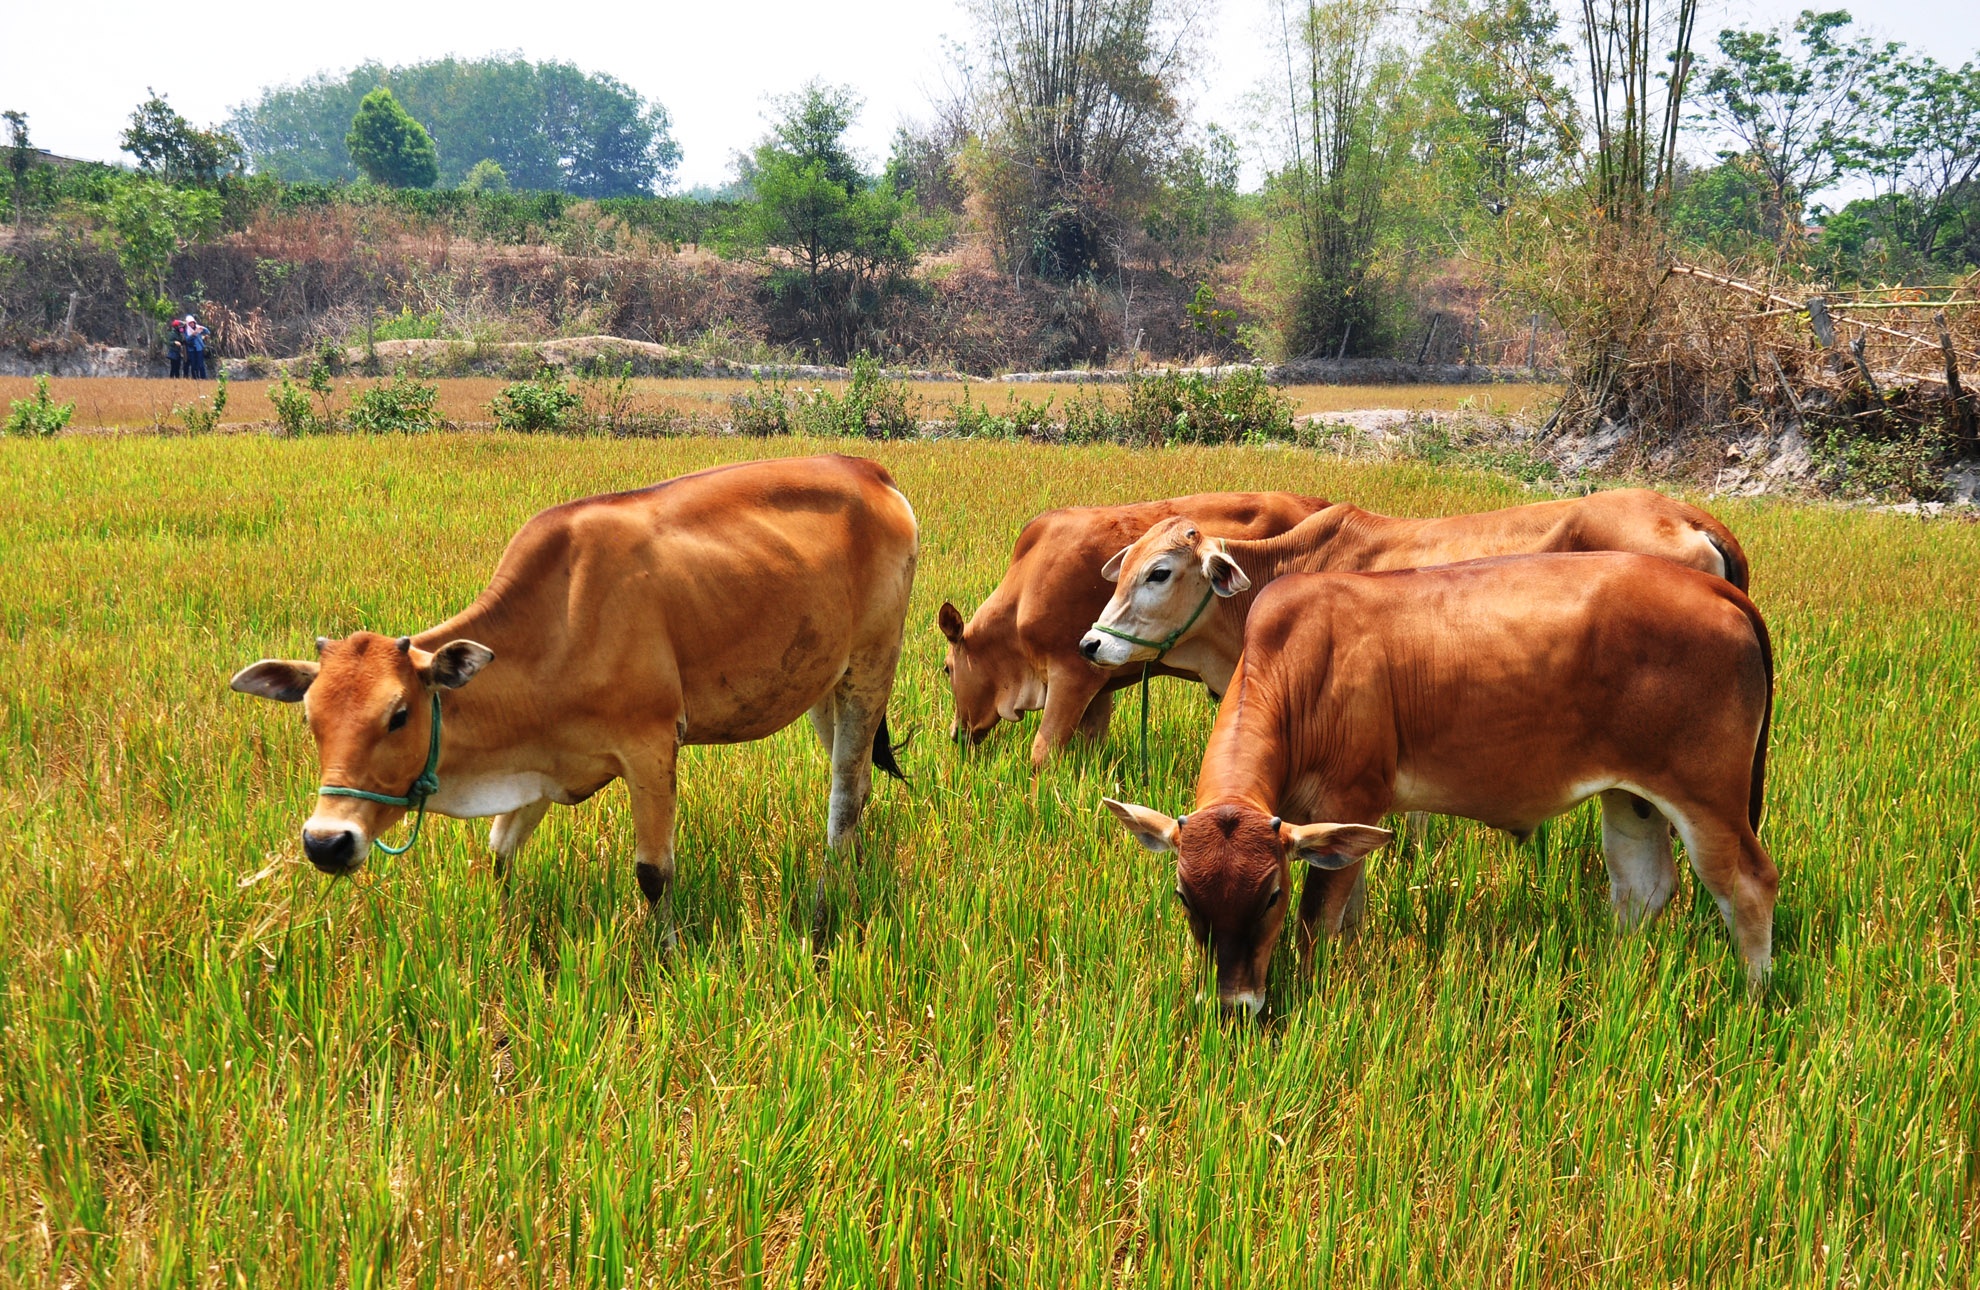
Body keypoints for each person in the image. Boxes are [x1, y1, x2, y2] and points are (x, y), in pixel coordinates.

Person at [184, 314, 209, 380]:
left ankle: (203, 378)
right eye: (190, 323)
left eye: (193, 323)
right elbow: (187, 339)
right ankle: (195, 378)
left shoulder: (198, 328)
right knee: (193, 364)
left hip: (199, 349)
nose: (192, 324)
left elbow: (207, 332)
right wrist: (192, 335)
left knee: (201, 364)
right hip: (191, 349)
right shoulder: (187, 331)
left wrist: (203, 328)